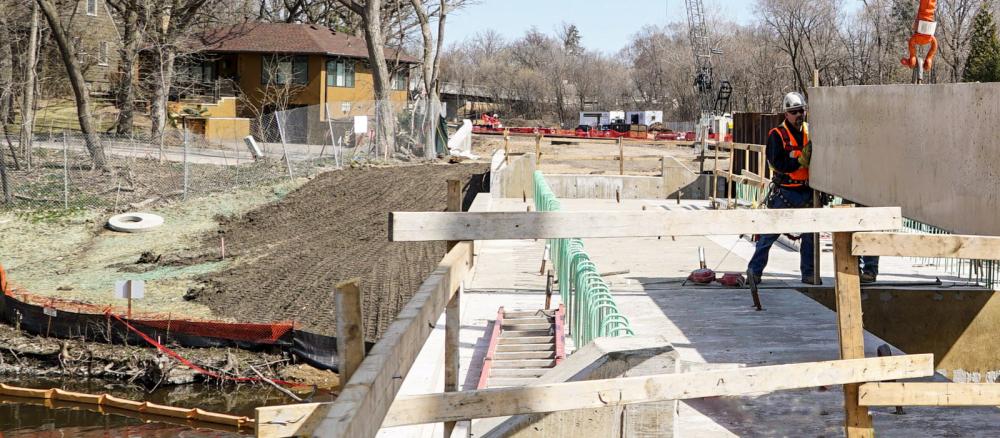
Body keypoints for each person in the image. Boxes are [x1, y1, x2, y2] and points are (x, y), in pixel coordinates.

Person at [747, 92, 820, 286]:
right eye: (794, 112)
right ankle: (754, 272)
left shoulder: (810, 132)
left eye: (801, 111)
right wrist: (798, 161)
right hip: (784, 192)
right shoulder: (777, 135)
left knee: (811, 236)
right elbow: (777, 162)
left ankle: (809, 273)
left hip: (806, 191)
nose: (799, 115)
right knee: (769, 234)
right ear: (786, 114)